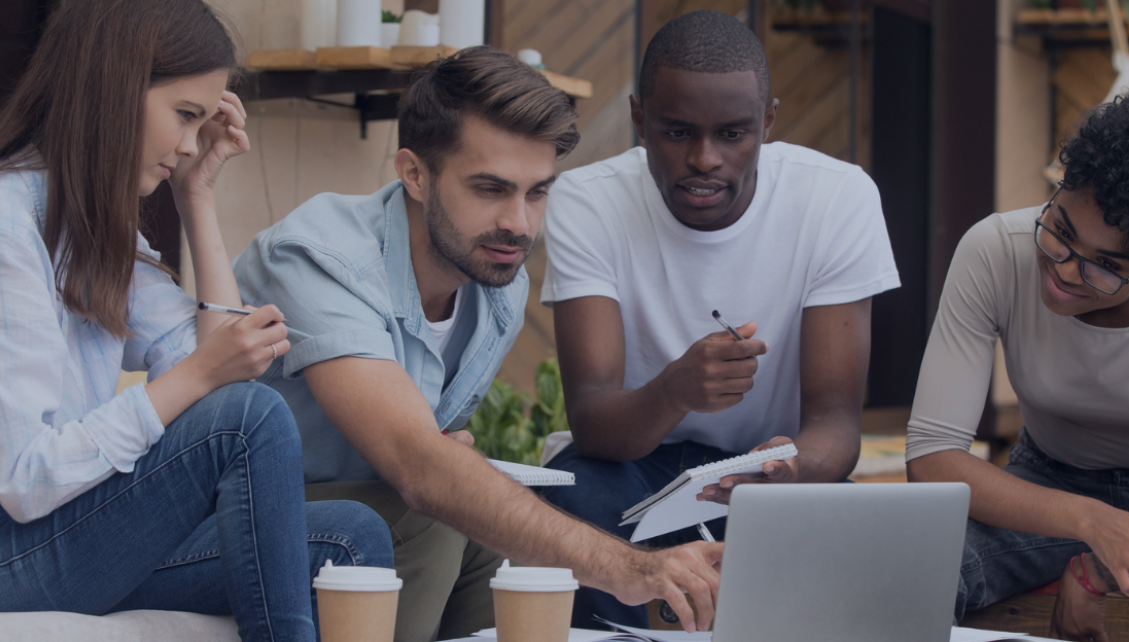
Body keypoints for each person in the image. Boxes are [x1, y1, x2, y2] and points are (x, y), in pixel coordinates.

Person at [231, 46, 722, 642]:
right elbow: (418, 466)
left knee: (511, 545)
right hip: (226, 519)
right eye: (491, 188)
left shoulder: (495, 279)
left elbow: (434, 448)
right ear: (414, 173)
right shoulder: (319, 258)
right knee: (431, 516)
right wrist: (628, 569)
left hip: (347, 506)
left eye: (537, 192)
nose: (518, 222)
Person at [0, 2, 393, 640]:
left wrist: (196, 197)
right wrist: (197, 378)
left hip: (70, 539)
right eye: (185, 116)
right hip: (14, 553)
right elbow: (24, 481)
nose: (189, 144)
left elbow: (216, 370)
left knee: (350, 539)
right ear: (114, 90)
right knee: (252, 418)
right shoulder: (10, 224)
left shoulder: (94, 229)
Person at [538, 10, 901, 628]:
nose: (705, 159)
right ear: (639, 120)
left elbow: (836, 429)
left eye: (733, 134)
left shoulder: (838, 197)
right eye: (677, 132)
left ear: (767, 122)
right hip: (635, 469)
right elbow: (595, 424)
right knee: (564, 505)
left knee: (853, 541)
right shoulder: (588, 200)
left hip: (768, 472)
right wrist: (676, 389)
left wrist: (789, 472)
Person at [905, 88, 1129, 642]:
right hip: (1044, 482)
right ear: (1058, 189)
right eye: (1061, 233)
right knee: (903, 577)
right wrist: (1091, 523)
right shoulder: (994, 251)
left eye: (1108, 265)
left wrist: (1101, 567)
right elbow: (933, 457)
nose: (1067, 273)